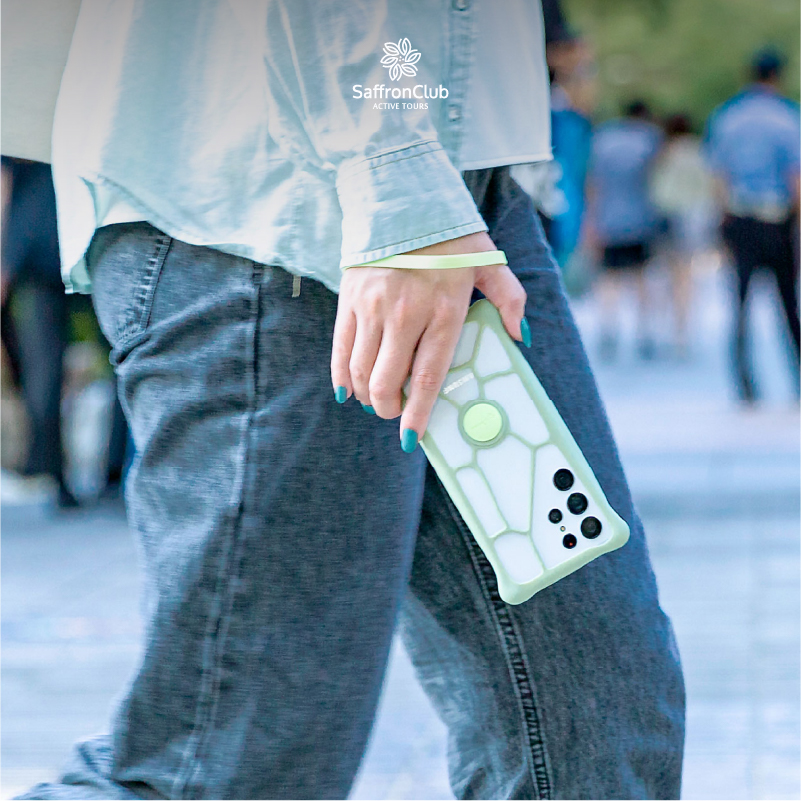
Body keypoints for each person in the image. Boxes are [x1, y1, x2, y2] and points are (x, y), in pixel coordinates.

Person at [16, 2, 684, 798]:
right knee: (231, 763)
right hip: (284, 200)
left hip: (461, 200)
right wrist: (393, 171)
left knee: (592, 718)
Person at [704, 47, 801, 403]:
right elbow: (795, 178)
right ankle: (798, 376)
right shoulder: (787, 117)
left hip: (740, 218)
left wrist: (723, 221)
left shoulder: (727, 117)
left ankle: (744, 382)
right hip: (777, 219)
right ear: (778, 76)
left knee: (740, 304)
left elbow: (718, 177)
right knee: (788, 304)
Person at [1, 157, 80, 508]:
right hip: (72, 240)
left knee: (44, 370)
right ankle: (60, 473)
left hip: (33, 249)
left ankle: (53, 475)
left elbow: (3, 186)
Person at [586, 101, 663, 360]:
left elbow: (594, 183)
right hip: (642, 221)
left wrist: (592, 222)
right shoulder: (650, 140)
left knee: (609, 279)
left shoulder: (602, 140)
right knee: (641, 278)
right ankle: (645, 333)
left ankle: (608, 331)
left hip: (608, 221)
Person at [650, 113, 714, 358]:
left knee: (668, 274)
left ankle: (669, 326)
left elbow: (657, 190)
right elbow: (707, 187)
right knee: (686, 275)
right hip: (692, 218)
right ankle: (682, 330)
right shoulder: (699, 152)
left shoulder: (664, 153)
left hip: (668, 218)